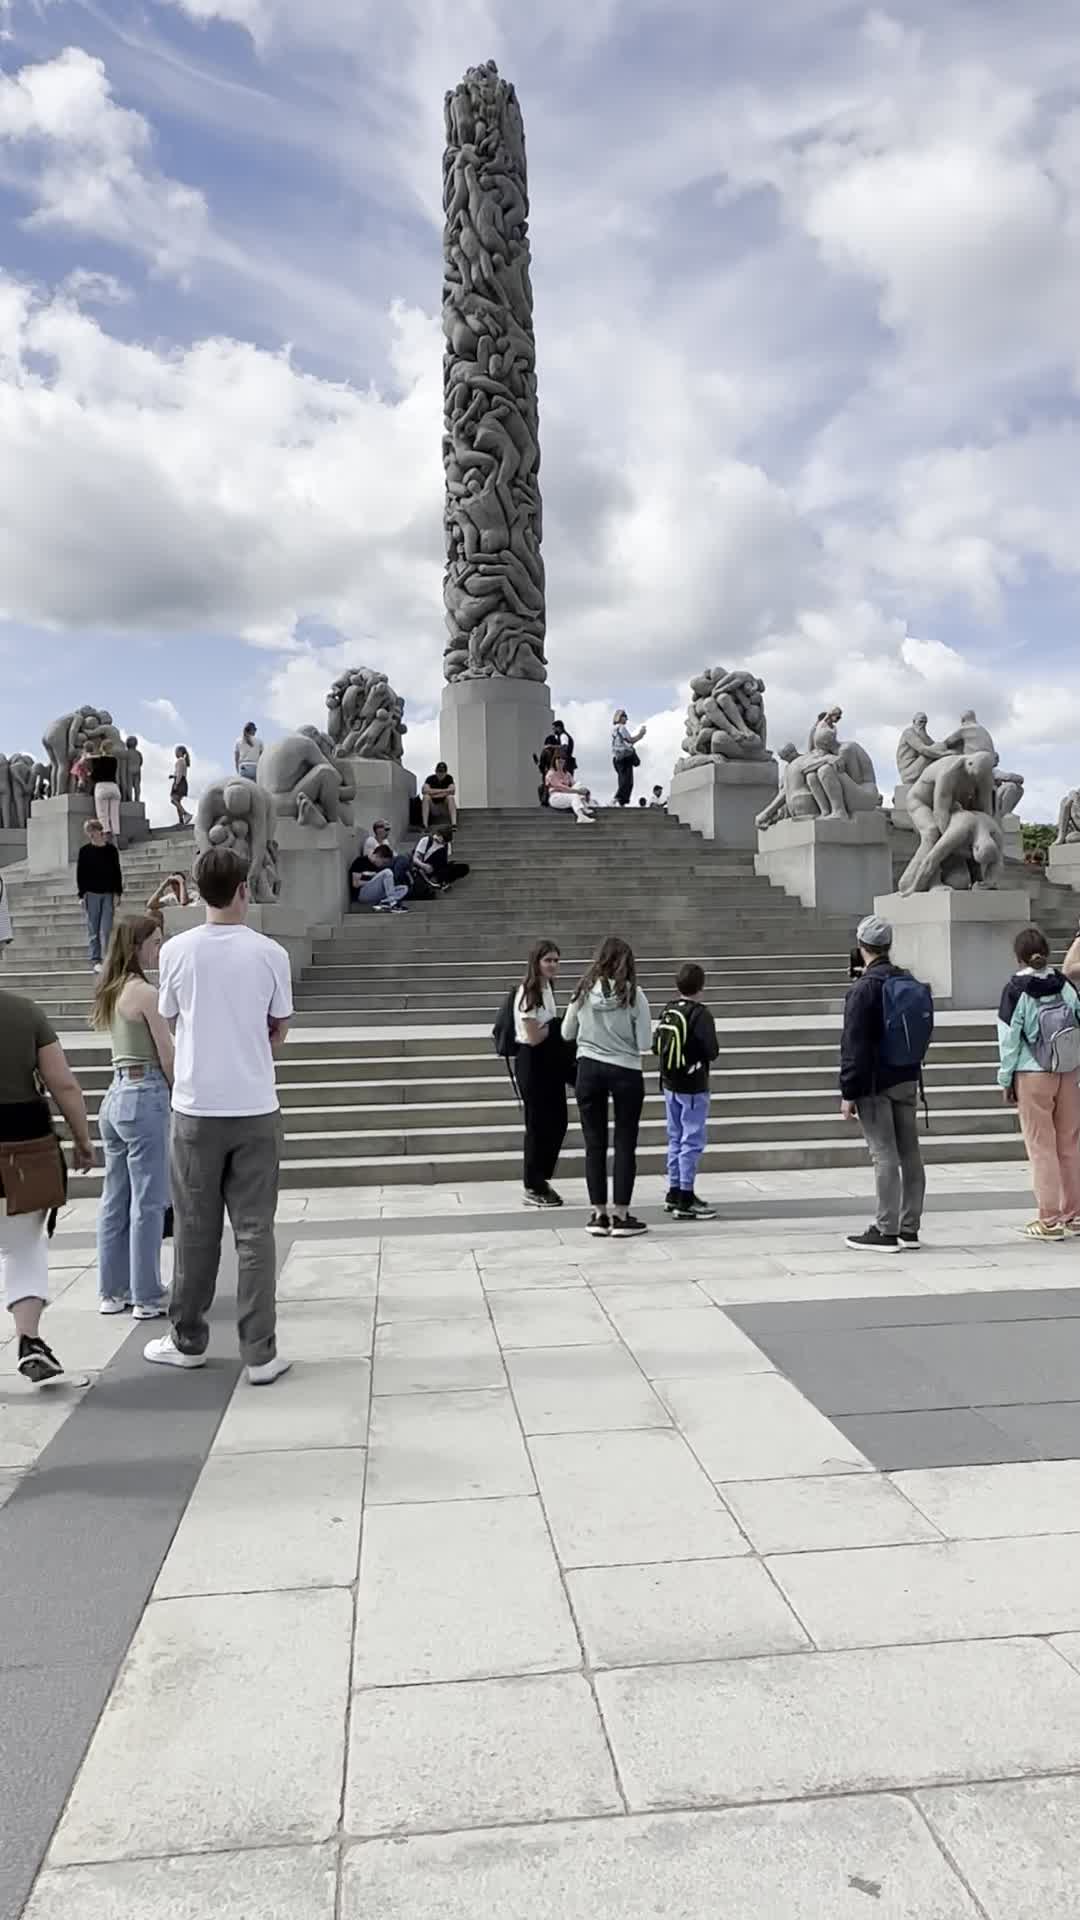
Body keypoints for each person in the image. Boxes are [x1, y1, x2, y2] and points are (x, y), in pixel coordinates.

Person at [145, 846, 293, 1384]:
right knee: (255, 1233)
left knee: (194, 1228)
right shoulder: (270, 953)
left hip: (196, 1106)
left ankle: (187, 1338)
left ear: (197, 892)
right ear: (244, 890)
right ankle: (260, 1353)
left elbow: (170, 1017)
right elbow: (279, 1028)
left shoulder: (176, 952)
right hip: (254, 1103)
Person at [0, 986, 94, 1382]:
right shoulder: (24, 1012)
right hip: (23, 1150)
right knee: (25, 1247)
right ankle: (29, 1340)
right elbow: (63, 1083)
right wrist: (82, 1140)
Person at [92, 916, 174, 1318]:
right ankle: (146, 1294)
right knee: (149, 1200)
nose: (159, 949)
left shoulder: (111, 989)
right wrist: (179, 1092)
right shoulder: (145, 993)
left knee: (115, 1197)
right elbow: (166, 1052)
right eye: (155, 941)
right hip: (145, 1092)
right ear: (137, 946)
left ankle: (113, 1290)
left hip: (116, 1094)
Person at [839, 913, 930, 1253]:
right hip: (907, 1075)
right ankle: (909, 1227)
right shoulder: (906, 980)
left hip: (876, 1082)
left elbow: (854, 1045)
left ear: (861, 946)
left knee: (884, 1154)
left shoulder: (864, 988)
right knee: (910, 1153)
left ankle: (885, 1228)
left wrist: (849, 1091)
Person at [563, 936, 651, 1237]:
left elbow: (567, 1032)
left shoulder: (583, 991)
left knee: (594, 1143)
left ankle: (599, 1214)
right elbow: (645, 1043)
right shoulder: (635, 994)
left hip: (588, 1067)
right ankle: (621, 1215)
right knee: (625, 1142)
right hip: (625, 1069)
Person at [997, 925, 1080, 1241]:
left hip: (1032, 1073)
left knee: (1041, 1146)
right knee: (1070, 1144)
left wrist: (1006, 1079)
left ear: (1018, 957)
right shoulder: (1064, 984)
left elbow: (1009, 1040)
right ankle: (1075, 1214)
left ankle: (1049, 1220)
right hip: (1068, 1070)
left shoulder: (1015, 990)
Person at [654, 962, 719, 1220]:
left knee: (675, 1137)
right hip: (693, 1085)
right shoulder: (701, 1014)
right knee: (691, 1140)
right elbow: (712, 1051)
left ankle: (673, 1191)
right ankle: (686, 1196)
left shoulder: (669, 1009)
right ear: (701, 986)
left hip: (670, 1083)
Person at [515, 940, 569, 1209]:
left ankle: (542, 1176)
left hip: (549, 1061)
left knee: (558, 1120)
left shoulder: (548, 988)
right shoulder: (530, 991)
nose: (553, 965)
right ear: (536, 962)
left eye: (556, 960)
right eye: (548, 960)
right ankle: (532, 1183)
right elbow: (534, 1036)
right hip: (533, 1060)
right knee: (537, 1125)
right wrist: (556, 1025)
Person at [76, 817, 123, 971]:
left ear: (99, 831)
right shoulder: (84, 851)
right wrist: (81, 895)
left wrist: (118, 893)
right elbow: (81, 874)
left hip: (108, 893)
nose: (91, 834)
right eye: (88, 832)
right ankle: (96, 959)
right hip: (91, 894)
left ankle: (108, 958)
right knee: (93, 928)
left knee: (107, 928)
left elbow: (117, 872)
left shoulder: (111, 850)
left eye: (93, 831)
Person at [355, 845, 410, 913]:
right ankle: (392, 904)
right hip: (362, 894)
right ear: (378, 855)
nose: (383, 864)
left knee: (404, 888)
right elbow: (355, 884)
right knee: (387, 872)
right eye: (383, 862)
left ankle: (384, 902)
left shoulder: (376, 866)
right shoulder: (360, 861)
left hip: (376, 893)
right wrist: (373, 880)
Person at [545, 754, 596, 823]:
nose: (560, 761)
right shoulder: (551, 773)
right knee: (574, 795)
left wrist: (585, 791)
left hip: (566, 795)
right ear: (554, 761)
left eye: (562, 760)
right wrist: (579, 791)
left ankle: (583, 805)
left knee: (579, 784)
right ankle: (580, 816)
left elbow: (575, 785)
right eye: (558, 759)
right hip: (556, 797)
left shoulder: (567, 774)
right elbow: (561, 787)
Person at [611, 709, 647, 807]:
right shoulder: (621, 728)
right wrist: (641, 734)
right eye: (625, 717)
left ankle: (622, 801)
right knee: (626, 780)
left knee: (624, 780)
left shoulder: (614, 729)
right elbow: (630, 740)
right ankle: (617, 799)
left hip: (617, 757)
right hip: (624, 757)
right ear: (620, 717)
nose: (626, 719)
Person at [91, 745, 122, 840]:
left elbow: (94, 776)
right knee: (114, 815)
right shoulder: (114, 760)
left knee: (103, 815)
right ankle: (116, 837)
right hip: (114, 787)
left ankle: (106, 838)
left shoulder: (98, 760)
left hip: (102, 787)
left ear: (101, 748)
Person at [422, 762, 458, 828]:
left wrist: (433, 793)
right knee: (426, 797)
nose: (441, 774)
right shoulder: (430, 778)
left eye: (443, 772)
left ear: (446, 772)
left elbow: (452, 791)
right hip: (434, 807)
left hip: (444, 808)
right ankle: (425, 825)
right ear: (436, 771)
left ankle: (454, 824)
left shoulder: (449, 778)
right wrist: (444, 791)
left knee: (450, 797)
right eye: (439, 771)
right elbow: (424, 791)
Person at [170, 746, 192, 827]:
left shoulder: (180, 760)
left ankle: (186, 814)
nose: (175, 753)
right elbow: (180, 772)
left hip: (179, 782)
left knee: (173, 800)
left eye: (176, 751)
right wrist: (173, 776)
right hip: (182, 782)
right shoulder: (183, 761)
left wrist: (176, 783)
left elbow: (179, 773)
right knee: (177, 801)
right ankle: (181, 821)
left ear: (179, 752)